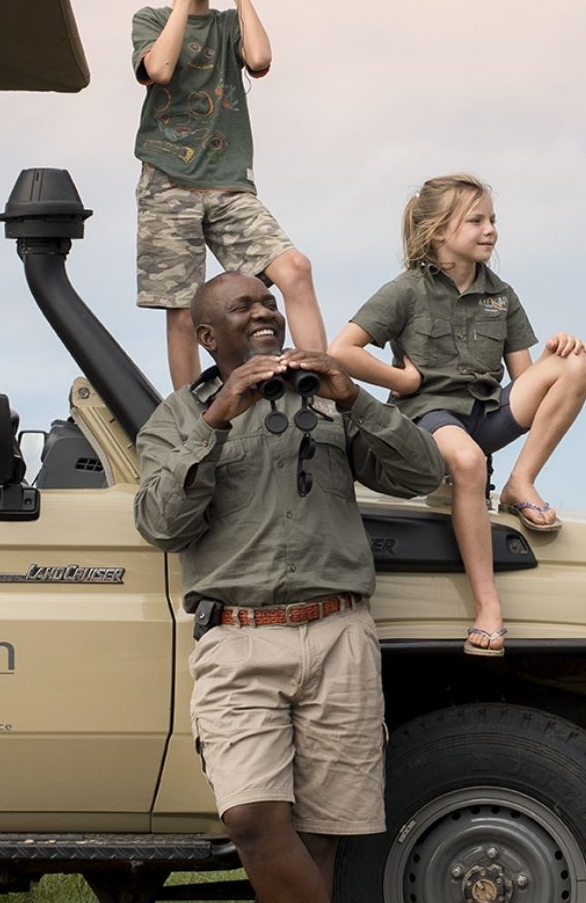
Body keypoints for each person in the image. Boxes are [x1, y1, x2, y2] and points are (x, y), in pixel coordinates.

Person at [134, 272, 443, 903]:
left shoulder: (328, 401)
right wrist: (217, 421)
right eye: (243, 306)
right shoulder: (178, 418)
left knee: (322, 832)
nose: (264, 312)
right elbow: (161, 525)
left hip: (337, 634)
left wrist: (354, 397)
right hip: (239, 638)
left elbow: (422, 473)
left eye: (269, 302)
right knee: (251, 817)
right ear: (207, 334)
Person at [330, 175, 586, 656]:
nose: (489, 229)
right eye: (475, 220)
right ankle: (488, 607)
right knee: (468, 461)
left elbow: (527, 379)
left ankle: (521, 484)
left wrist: (562, 351)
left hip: (485, 415)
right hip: (427, 417)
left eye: (492, 219)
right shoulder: (406, 291)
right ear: (438, 233)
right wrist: (403, 382)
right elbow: (341, 350)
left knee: (578, 362)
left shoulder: (502, 295)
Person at [133, 0, 323, 389]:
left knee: (295, 270)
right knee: (182, 308)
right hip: (169, 180)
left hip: (229, 182)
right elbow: (159, 67)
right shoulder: (151, 19)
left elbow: (259, 59)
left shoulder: (227, 25)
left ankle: (319, 389)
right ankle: (191, 418)